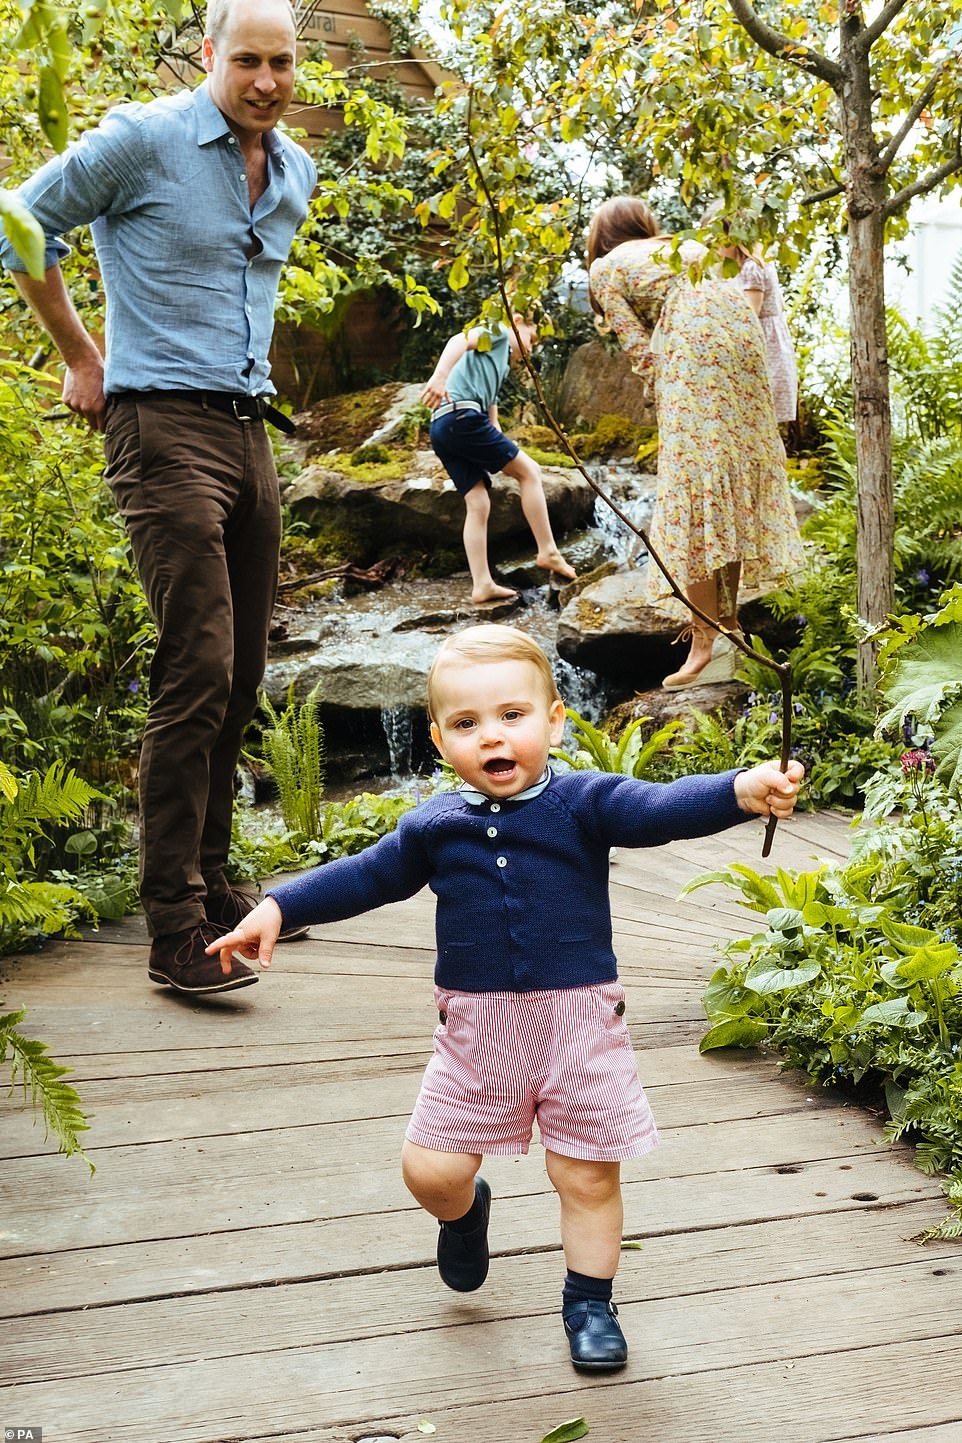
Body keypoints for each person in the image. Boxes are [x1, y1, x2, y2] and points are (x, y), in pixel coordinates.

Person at [206, 623, 804, 1371]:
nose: (492, 735)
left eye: (512, 716)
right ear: (438, 738)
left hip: (579, 1025)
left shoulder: (586, 801)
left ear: (554, 720)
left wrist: (739, 789)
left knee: (584, 1173)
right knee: (432, 1171)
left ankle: (589, 1299)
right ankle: (465, 1214)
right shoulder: (433, 826)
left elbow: (658, 808)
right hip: (475, 1035)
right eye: (467, 722)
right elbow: (365, 874)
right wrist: (280, 907)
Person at [0, 0, 317, 996]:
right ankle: (173, 927)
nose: (265, 79)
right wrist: (81, 354)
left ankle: (214, 882)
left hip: (246, 430)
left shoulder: (295, 173)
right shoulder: (144, 139)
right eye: (247, 60)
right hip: (158, 427)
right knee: (199, 662)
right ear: (210, 54)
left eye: (281, 62)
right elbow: (20, 222)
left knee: (244, 668)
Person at [586, 197, 805, 691]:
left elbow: (637, 345)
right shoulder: (679, 246)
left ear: (601, 237)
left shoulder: (605, 266)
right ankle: (729, 631)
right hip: (739, 337)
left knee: (695, 499)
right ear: (645, 225)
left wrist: (664, 391)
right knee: (724, 491)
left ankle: (705, 645)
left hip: (693, 345)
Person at [421, 315, 576, 605]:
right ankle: (548, 550)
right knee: (529, 472)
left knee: (478, 502)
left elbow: (488, 397)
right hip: (462, 416)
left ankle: (482, 584)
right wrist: (439, 376)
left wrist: (494, 426)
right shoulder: (499, 332)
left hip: (443, 427)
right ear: (517, 321)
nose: (531, 348)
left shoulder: (499, 359)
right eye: (532, 337)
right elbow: (459, 340)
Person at [723, 242, 799, 424]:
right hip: (774, 342)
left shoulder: (751, 268)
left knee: (759, 420)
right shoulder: (758, 263)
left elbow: (749, 316)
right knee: (763, 425)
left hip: (762, 347)